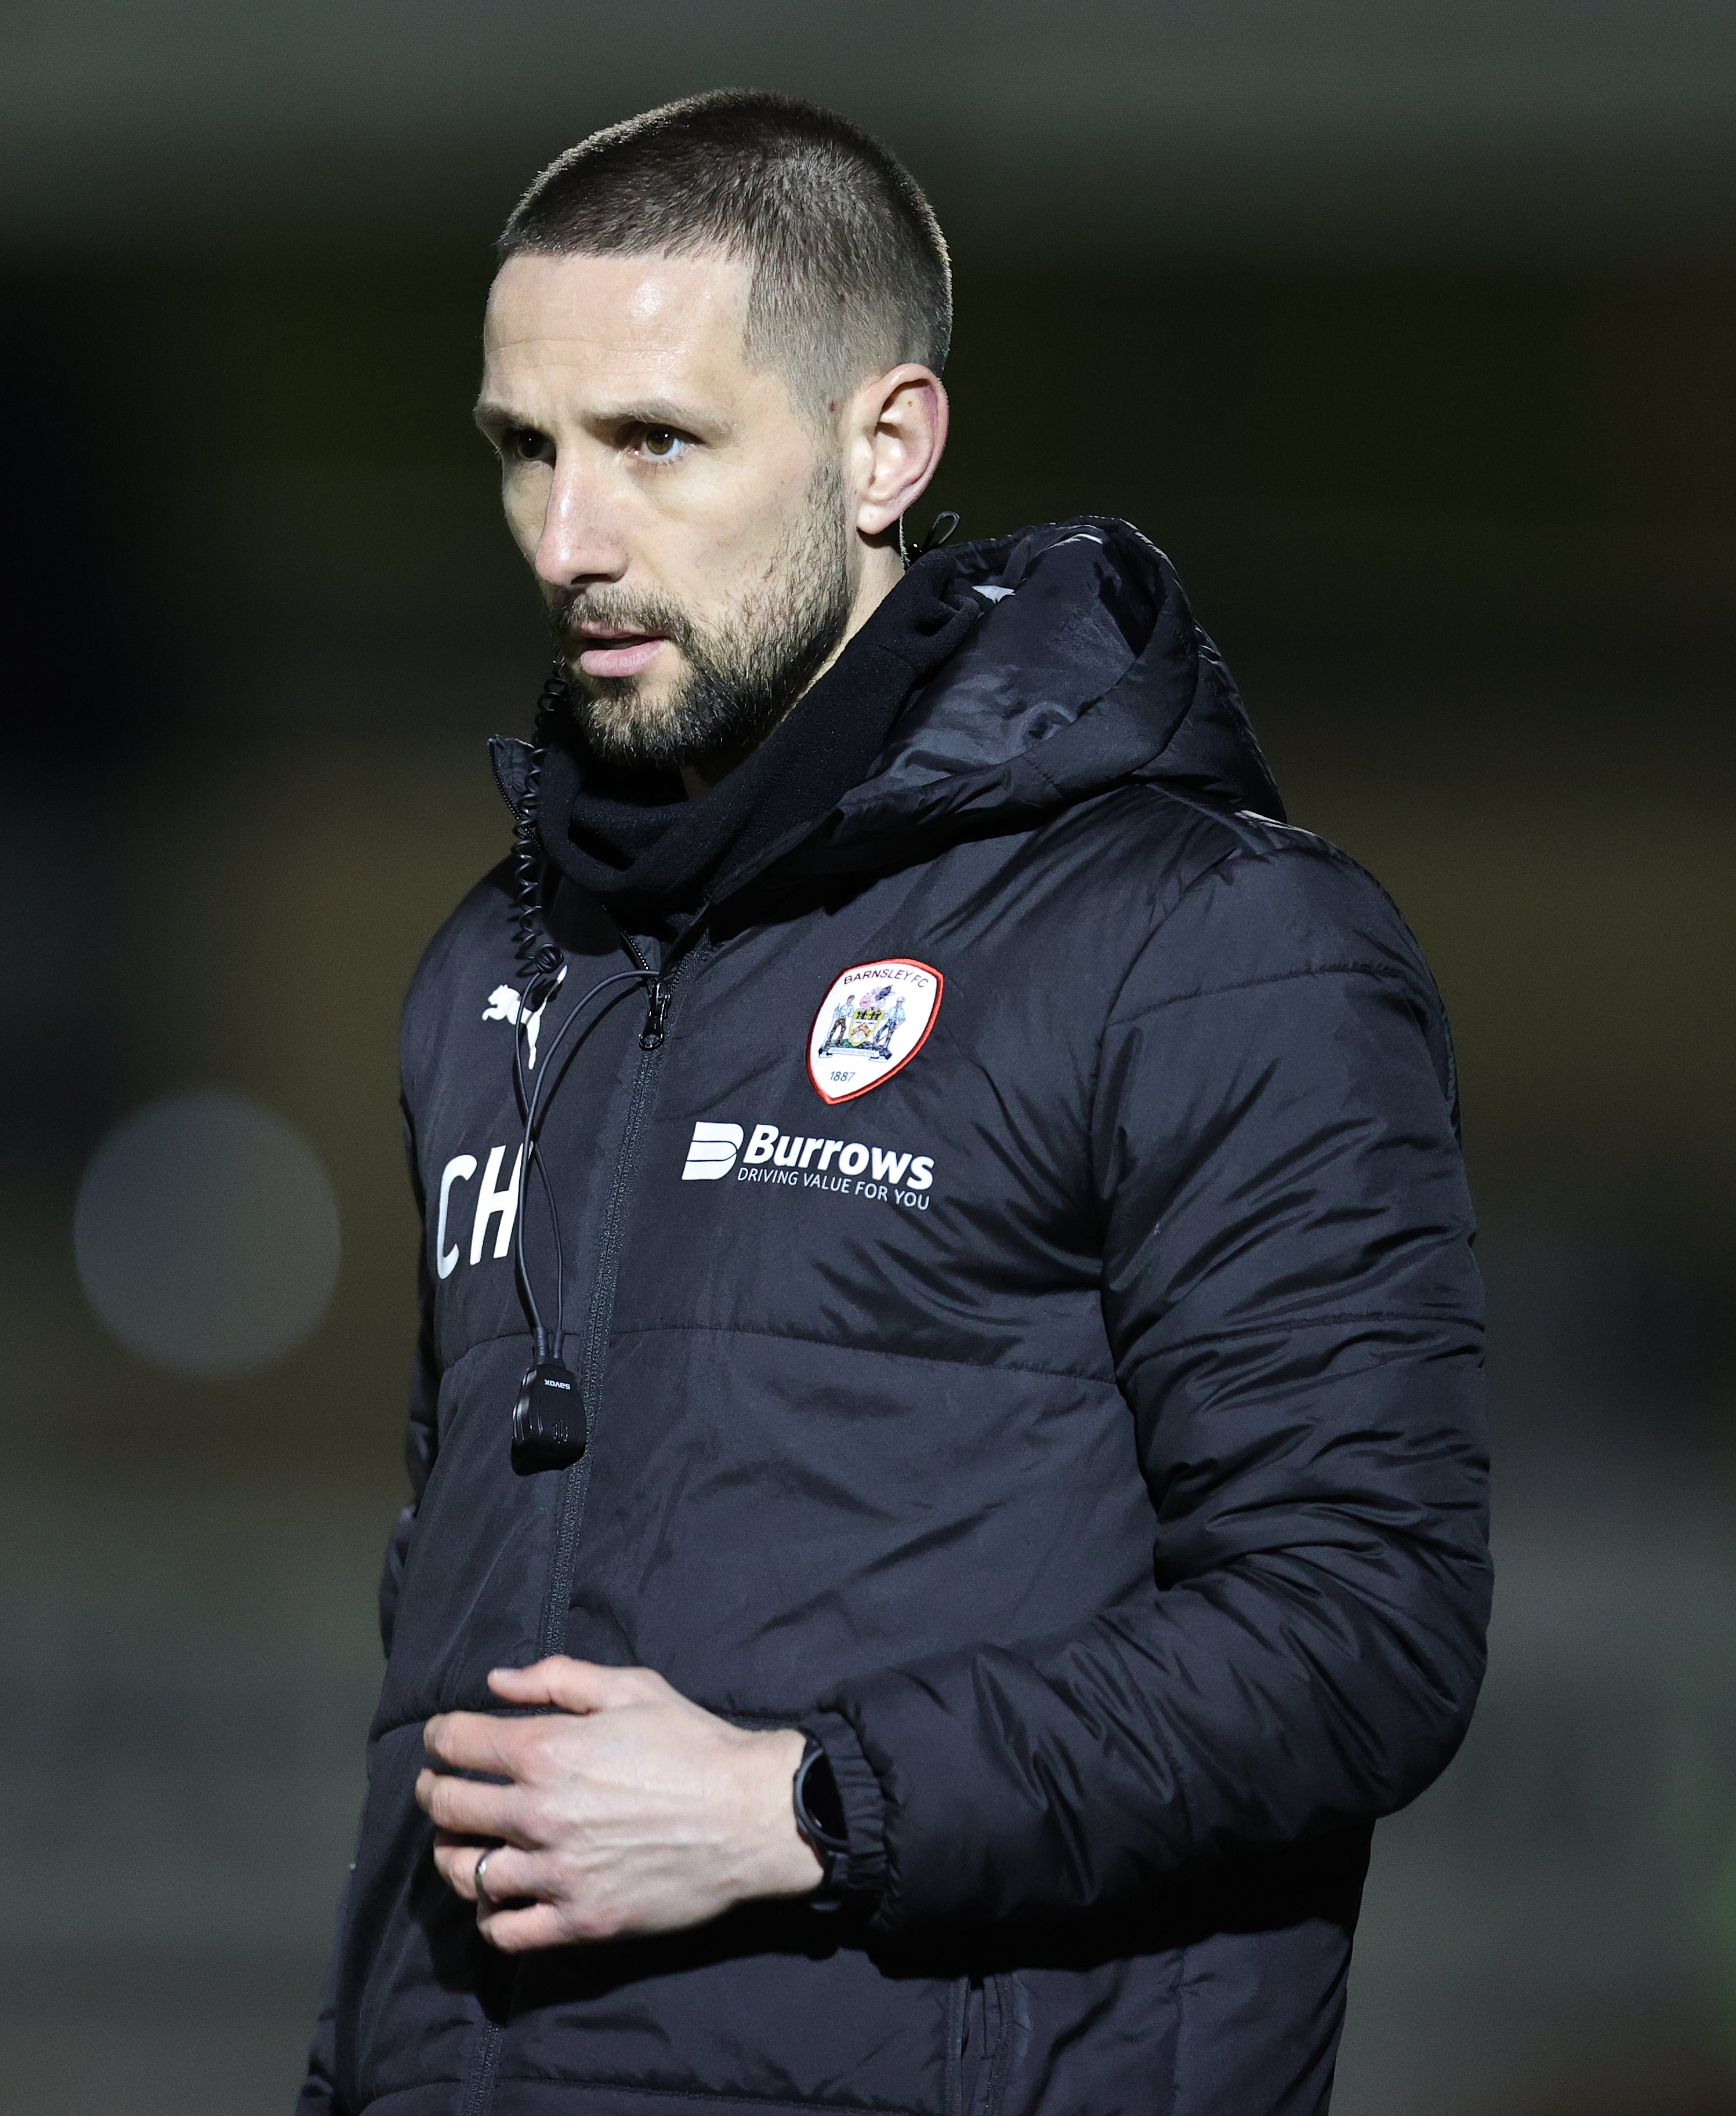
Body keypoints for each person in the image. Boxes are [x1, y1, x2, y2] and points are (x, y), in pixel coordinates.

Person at [298, 89, 1489, 2116]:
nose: (569, 541)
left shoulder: (1203, 942)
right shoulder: (502, 968)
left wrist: (799, 1803)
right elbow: (449, 1655)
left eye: (654, 441)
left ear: (886, 447)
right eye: (525, 448)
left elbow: (1362, 1627)